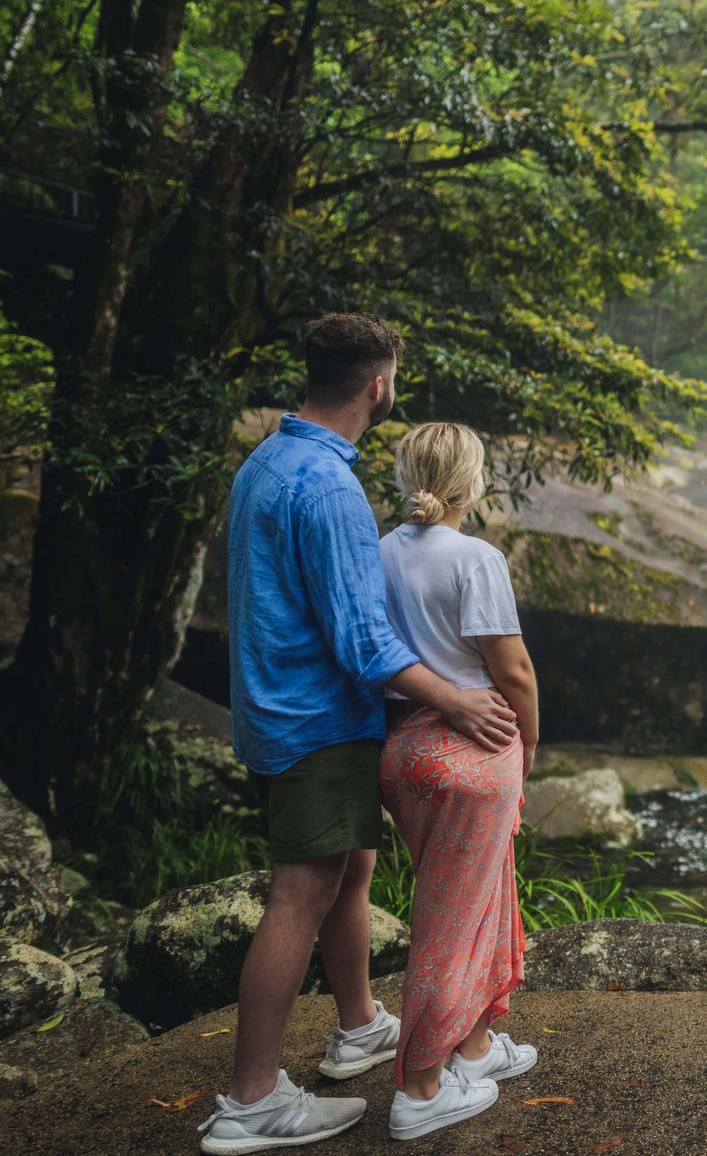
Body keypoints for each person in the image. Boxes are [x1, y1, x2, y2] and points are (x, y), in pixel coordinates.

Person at [199, 315, 520, 1155]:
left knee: (353, 870)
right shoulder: (332, 489)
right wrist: (453, 701)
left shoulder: (268, 460)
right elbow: (362, 642)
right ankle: (252, 1100)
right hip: (319, 718)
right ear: (378, 386)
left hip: (273, 705)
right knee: (300, 892)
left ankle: (358, 1025)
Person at [377, 421, 542, 1141]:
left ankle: (473, 1050)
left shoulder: (375, 553)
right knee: (452, 923)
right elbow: (512, 671)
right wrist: (530, 743)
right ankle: (419, 1088)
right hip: (474, 746)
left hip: (404, 747)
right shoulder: (475, 556)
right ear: (471, 485)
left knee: (469, 900)